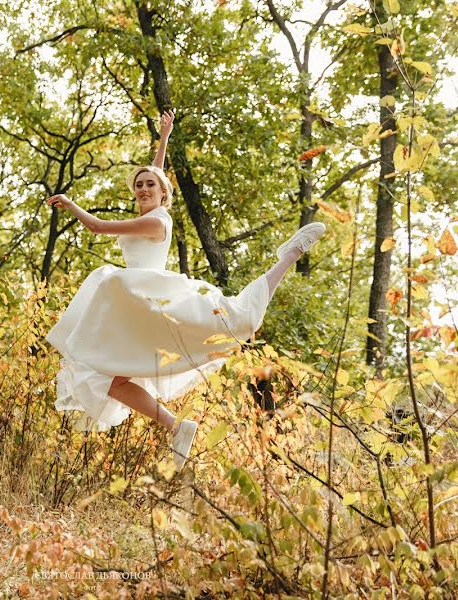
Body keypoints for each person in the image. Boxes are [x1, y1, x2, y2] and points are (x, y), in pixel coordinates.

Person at [44, 110, 325, 470]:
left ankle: (289, 255)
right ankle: (177, 426)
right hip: (136, 305)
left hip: (148, 300)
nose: (143, 188)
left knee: (238, 318)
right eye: (138, 185)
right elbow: (155, 173)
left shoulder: (155, 220)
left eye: (151, 186)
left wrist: (70, 205)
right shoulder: (152, 210)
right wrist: (163, 138)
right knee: (108, 380)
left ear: (164, 194)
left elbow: (98, 227)